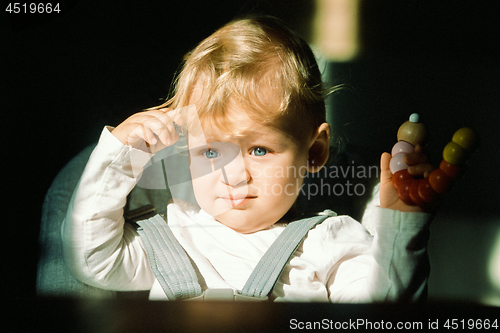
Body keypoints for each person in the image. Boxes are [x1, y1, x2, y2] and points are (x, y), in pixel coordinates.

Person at [62, 16, 434, 302]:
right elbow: (93, 260)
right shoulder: (173, 231)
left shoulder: (330, 243)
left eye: (260, 150)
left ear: (315, 152)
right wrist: (120, 154)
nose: (234, 177)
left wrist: (402, 223)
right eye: (210, 151)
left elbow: (384, 311)